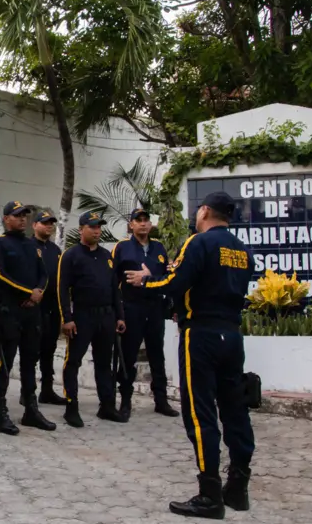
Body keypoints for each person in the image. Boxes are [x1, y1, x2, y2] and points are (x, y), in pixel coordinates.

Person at [124, 192, 255, 519]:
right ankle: (238, 487)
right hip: (232, 335)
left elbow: (174, 282)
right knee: (235, 408)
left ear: (205, 211)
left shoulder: (199, 243)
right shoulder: (241, 250)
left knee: (199, 413)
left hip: (201, 335)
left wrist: (145, 281)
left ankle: (210, 494)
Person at [0, 201, 56, 434]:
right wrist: (27, 293)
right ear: (6, 219)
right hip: (10, 312)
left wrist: (38, 293)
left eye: (24, 216)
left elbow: (43, 274)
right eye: (17, 216)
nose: (22, 219)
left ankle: (31, 410)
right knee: (5, 362)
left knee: (30, 361)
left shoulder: (31, 245)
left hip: (31, 313)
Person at [58, 212, 127, 426]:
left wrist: (120, 316)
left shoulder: (107, 256)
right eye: (92, 227)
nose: (97, 231)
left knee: (104, 362)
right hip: (82, 316)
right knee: (73, 361)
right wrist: (66, 318)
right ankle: (71, 407)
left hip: (106, 316)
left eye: (99, 227)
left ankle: (106, 406)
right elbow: (62, 289)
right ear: (81, 229)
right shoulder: (71, 255)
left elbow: (115, 289)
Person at [112, 207, 179, 419]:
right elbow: (112, 281)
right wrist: (117, 312)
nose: (143, 223)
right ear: (131, 225)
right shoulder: (122, 248)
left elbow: (167, 278)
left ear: (150, 224)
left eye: (146, 220)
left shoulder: (159, 248)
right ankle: (125, 400)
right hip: (131, 308)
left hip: (155, 309)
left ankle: (161, 400)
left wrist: (150, 277)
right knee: (128, 356)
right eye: (138, 220)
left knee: (157, 356)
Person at [32, 210, 66, 406]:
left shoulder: (55, 250)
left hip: (52, 307)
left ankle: (47, 390)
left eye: (51, 223)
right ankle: (28, 391)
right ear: (35, 225)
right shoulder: (28, 246)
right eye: (44, 223)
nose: (49, 226)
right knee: (32, 350)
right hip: (33, 306)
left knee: (49, 349)